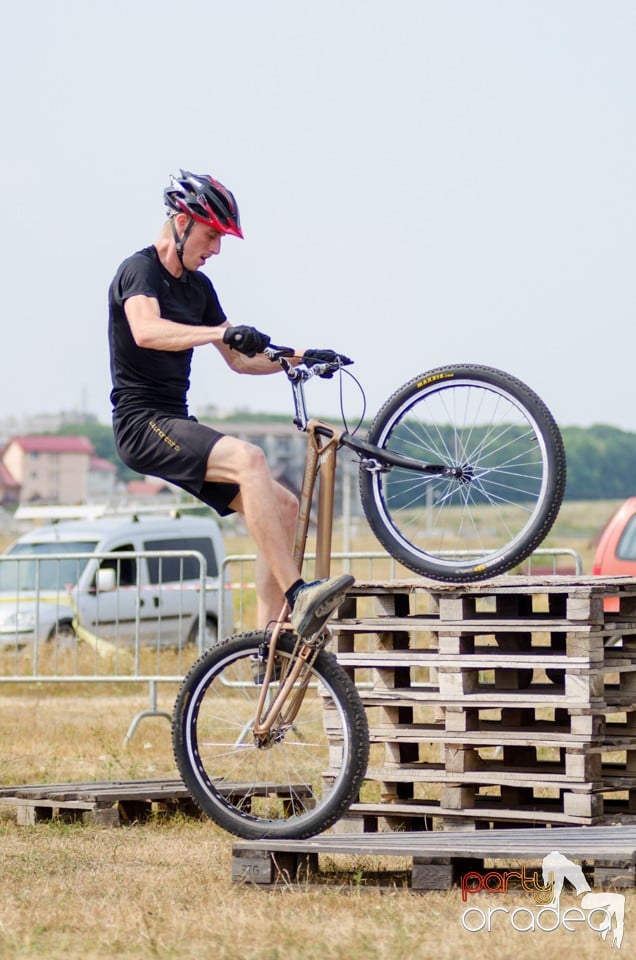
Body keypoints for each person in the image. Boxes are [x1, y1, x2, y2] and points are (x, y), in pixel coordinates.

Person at [108, 169, 353, 638]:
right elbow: (147, 331)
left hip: (174, 421)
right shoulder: (139, 271)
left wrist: (300, 357)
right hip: (142, 424)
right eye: (212, 235)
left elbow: (240, 359)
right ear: (182, 221)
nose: (216, 249)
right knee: (250, 458)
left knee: (283, 507)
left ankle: (266, 642)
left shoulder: (198, 288)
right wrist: (220, 331)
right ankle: (300, 594)